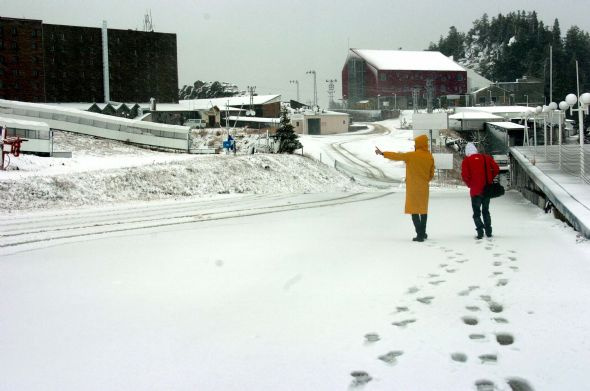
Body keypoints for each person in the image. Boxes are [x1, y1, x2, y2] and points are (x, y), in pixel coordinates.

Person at [375, 135, 434, 242]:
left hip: (413, 188)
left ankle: (419, 234)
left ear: (418, 145)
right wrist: (424, 180)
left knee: (414, 210)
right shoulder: (429, 156)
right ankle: (423, 233)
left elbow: (397, 156)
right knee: (423, 210)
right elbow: (431, 174)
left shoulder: (411, 156)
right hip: (424, 188)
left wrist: (383, 153)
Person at [461, 142, 500, 239]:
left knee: (476, 213)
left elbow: (465, 176)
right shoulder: (486, 158)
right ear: (475, 150)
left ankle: (480, 231)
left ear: (467, 152)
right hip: (487, 190)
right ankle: (489, 231)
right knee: (486, 211)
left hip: (475, 192)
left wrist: (470, 184)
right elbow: (496, 169)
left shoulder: (467, 161)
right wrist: (490, 179)